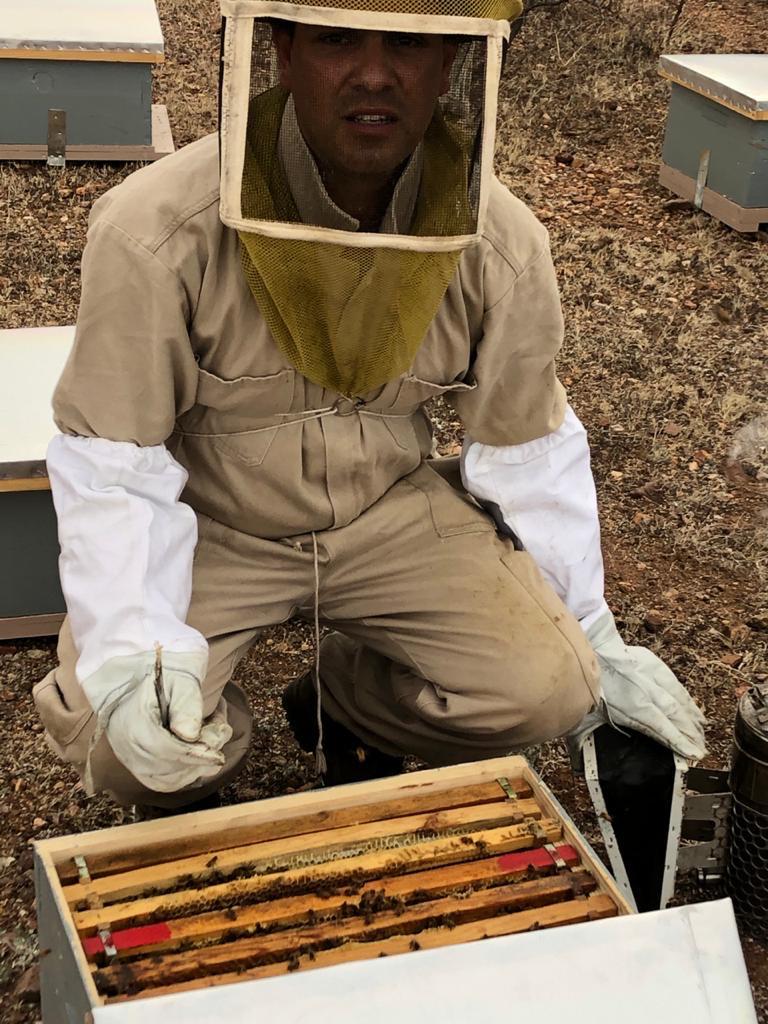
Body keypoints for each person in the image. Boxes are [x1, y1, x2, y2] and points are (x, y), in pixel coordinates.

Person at [34, 0, 704, 817]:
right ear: (282, 51)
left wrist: (591, 628)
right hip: (214, 521)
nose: (375, 74)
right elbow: (114, 457)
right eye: (337, 39)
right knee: (120, 741)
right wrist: (132, 648)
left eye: (409, 45)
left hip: (387, 511)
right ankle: (212, 738)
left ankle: (348, 697)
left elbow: (526, 443)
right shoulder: (156, 229)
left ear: (451, 64)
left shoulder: (501, 242)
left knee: (550, 688)